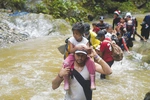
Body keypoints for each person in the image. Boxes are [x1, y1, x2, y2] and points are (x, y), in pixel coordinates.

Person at [63, 22, 96, 91]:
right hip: (73, 55)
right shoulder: (71, 40)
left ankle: (92, 81)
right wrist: (77, 48)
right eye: (74, 33)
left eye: (77, 33)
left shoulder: (85, 41)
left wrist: (88, 49)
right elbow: (71, 50)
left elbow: (88, 52)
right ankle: (66, 81)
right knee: (66, 63)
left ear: (81, 34)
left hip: (84, 55)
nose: (75, 35)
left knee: (91, 63)